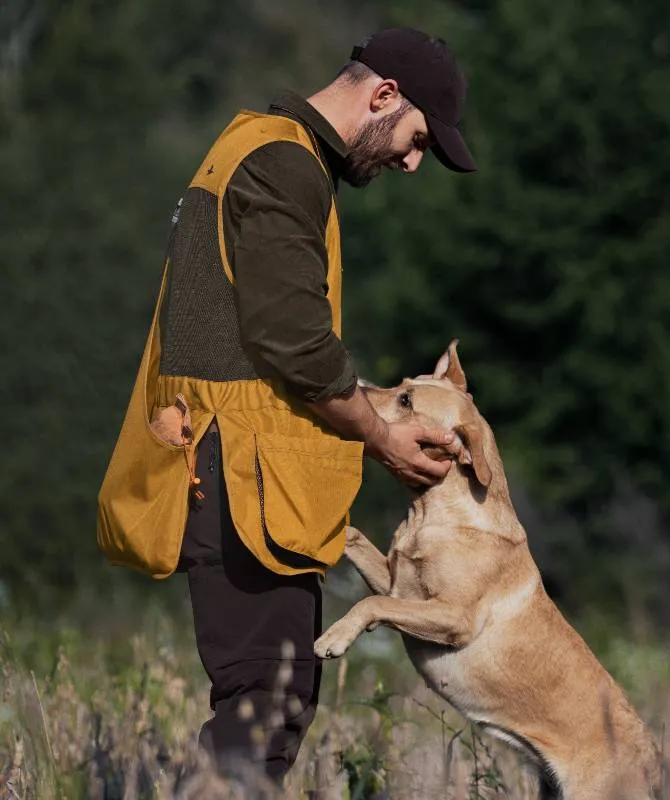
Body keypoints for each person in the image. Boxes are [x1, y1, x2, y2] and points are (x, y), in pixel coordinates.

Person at [98, 26, 476, 785]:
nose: (409, 161)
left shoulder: (255, 147)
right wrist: (383, 438)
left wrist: (379, 411)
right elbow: (292, 341)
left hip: (230, 464)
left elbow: (244, 346)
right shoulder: (283, 164)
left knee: (266, 699)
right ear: (383, 95)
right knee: (264, 704)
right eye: (415, 140)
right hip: (241, 477)